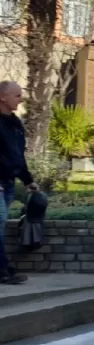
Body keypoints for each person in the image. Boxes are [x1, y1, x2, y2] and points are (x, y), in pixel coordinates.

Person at [0, 81, 35, 285]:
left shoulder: (15, 124)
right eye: (17, 95)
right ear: (3, 97)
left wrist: (28, 181)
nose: (21, 99)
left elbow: (17, 155)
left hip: (8, 182)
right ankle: (3, 271)